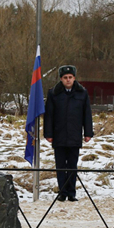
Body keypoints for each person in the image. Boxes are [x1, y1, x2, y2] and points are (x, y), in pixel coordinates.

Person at [43, 65, 93, 201]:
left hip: (74, 135)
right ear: (61, 79)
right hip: (58, 136)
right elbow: (49, 115)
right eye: (65, 78)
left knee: (72, 165)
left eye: (70, 77)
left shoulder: (82, 93)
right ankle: (62, 192)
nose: (68, 80)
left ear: (74, 78)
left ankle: (71, 193)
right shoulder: (53, 93)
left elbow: (87, 114)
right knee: (60, 166)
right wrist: (48, 133)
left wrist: (88, 132)